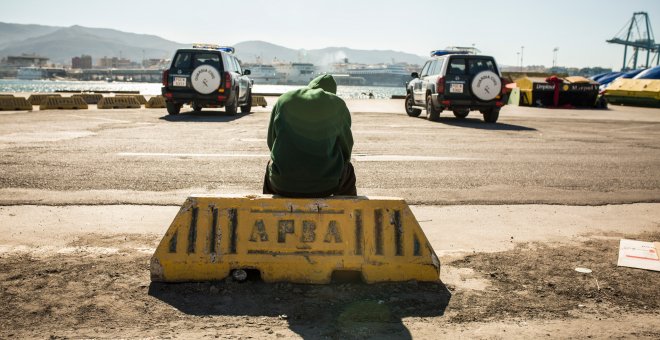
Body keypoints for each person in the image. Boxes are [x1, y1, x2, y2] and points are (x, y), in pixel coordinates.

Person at [263, 74, 356, 197]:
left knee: (271, 164)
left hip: (282, 184)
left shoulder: (284, 99)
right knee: (348, 169)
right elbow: (346, 148)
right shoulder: (337, 104)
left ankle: (267, 210)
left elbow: (271, 141)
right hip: (326, 186)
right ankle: (348, 212)